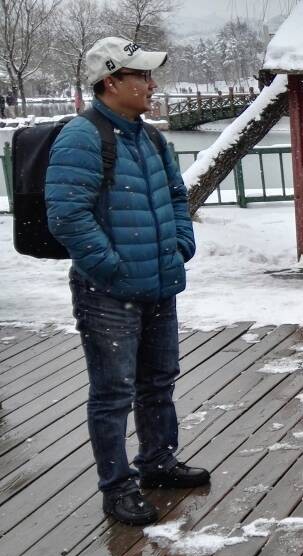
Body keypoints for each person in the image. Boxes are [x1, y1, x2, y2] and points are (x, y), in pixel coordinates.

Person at [45, 37, 209, 526]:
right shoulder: (83, 136)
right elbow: (67, 215)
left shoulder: (150, 137)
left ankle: (157, 461)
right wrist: (111, 267)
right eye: (141, 77)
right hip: (109, 293)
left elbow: (177, 196)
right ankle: (116, 487)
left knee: (158, 381)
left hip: (158, 284)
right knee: (113, 392)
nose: (151, 85)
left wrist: (181, 242)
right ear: (111, 81)